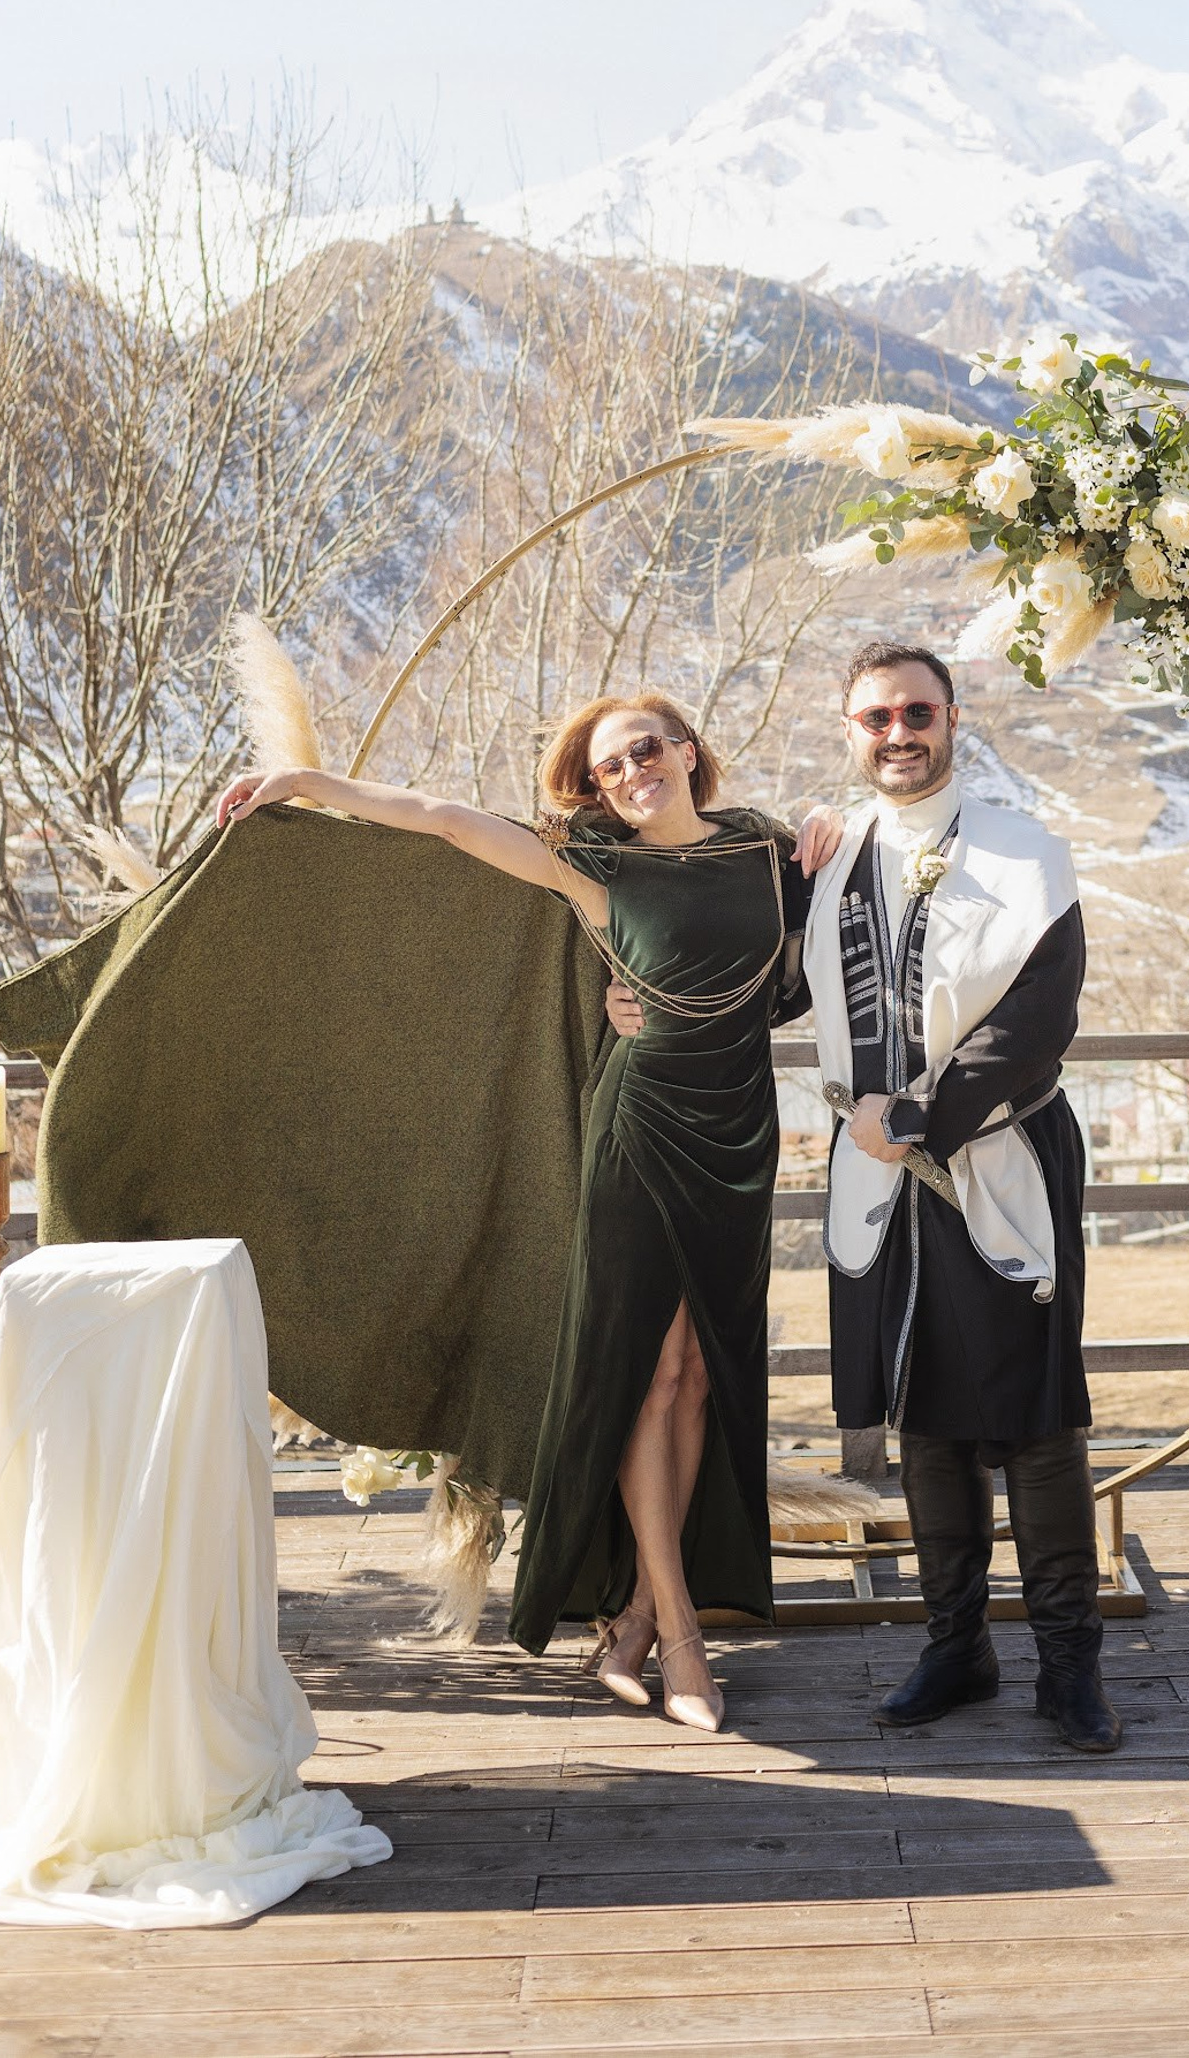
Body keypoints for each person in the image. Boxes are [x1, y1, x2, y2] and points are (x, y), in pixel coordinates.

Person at [216, 694, 834, 1734]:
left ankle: (638, 1615)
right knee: (647, 1374)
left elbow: (808, 957)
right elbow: (446, 819)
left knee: (699, 1376)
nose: (629, 774)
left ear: (687, 750)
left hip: (740, 1139)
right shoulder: (598, 868)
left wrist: (831, 831)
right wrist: (311, 784)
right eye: (606, 770)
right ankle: (682, 1631)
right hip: (641, 1131)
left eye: (645, 750)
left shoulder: (768, 853)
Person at [807, 638, 1119, 1753]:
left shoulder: (1026, 853)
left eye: (917, 713)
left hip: (999, 1155)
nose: (898, 733)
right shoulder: (825, 857)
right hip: (876, 1171)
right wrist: (631, 1002)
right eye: (876, 718)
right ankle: (958, 1647)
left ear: (952, 718)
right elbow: (750, 971)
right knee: (923, 1410)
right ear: (851, 732)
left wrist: (921, 1115)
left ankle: (1069, 1663)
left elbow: (1040, 1014)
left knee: (1035, 1415)